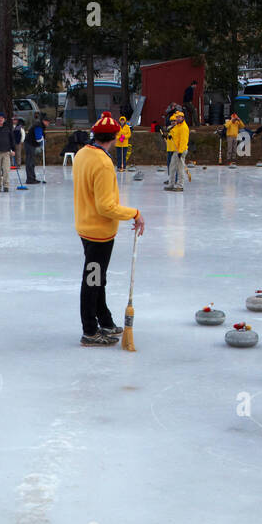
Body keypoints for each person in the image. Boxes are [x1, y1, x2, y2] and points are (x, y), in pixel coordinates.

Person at [73, 112, 145, 347]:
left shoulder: (83, 153)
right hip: (98, 233)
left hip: (86, 227)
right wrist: (133, 213)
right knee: (93, 280)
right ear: (114, 137)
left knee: (98, 279)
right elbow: (105, 206)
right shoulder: (103, 163)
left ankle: (104, 320)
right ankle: (90, 331)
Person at [164, 109, 189, 191]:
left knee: (180, 168)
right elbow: (175, 136)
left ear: (183, 118)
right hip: (176, 150)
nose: (178, 119)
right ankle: (171, 184)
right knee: (172, 167)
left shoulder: (184, 128)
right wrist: (170, 136)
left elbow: (183, 141)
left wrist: (180, 152)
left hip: (180, 150)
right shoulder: (178, 126)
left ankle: (180, 185)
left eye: (179, 117)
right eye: (177, 117)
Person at [25, 113, 45, 184]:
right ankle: (30, 179)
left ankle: (32, 177)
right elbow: (38, 138)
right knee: (30, 162)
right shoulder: (38, 126)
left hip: (32, 144)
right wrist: (42, 141)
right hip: (30, 144)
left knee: (32, 162)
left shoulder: (40, 125)